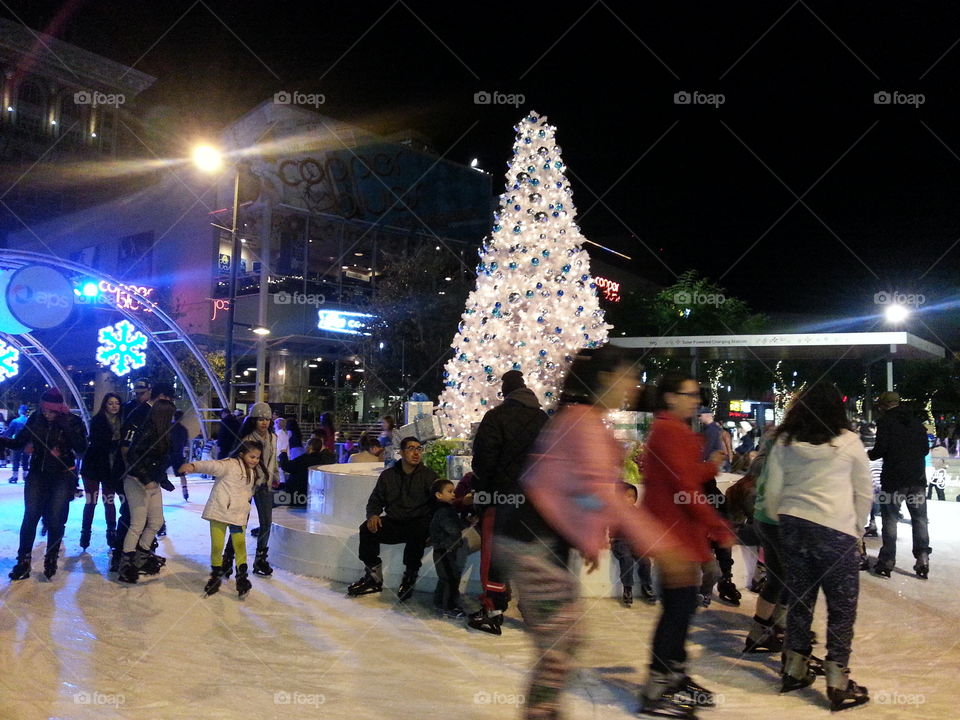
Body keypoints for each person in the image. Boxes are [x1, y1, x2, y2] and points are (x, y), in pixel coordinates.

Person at [496, 347, 680, 720]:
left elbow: (578, 490)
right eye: (629, 376)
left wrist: (592, 538)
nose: (634, 385)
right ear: (604, 378)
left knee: (561, 639)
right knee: (562, 638)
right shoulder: (582, 422)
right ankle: (542, 712)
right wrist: (661, 545)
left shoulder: (582, 420)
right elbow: (603, 494)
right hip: (529, 542)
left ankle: (543, 710)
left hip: (532, 540)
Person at [763, 382, 872, 711]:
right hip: (835, 530)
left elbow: (772, 490)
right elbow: (864, 491)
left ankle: (794, 668)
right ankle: (837, 679)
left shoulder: (784, 441)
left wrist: (779, 519)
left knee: (800, 599)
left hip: (794, 526)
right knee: (841, 607)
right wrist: (857, 528)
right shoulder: (849, 441)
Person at [638, 373, 732, 718]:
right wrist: (716, 525)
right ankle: (658, 686)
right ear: (669, 397)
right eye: (688, 394)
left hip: (678, 533)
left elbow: (687, 477)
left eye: (698, 394)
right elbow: (685, 488)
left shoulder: (672, 430)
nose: (696, 400)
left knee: (681, 608)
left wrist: (709, 466)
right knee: (677, 611)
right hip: (673, 535)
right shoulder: (669, 431)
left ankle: (672, 675)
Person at [467, 369, 548, 635]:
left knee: (495, 555)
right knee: (531, 554)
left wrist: (484, 493)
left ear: (506, 393)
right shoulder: (543, 419)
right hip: (535, 500)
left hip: (500, 498)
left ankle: (493, 609)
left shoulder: (495, 418)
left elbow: (482, 462)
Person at [3, 389, 88, 580]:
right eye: (44, 410)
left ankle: (51, 557)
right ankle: (23, 562)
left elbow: (82, 449)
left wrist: (65, 426)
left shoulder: (73, 421)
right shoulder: (36, 418)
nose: (47, 414)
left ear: (59, 409)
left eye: (51, 411)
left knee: (56, 519)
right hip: (37, 475)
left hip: (62, 475)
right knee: (30, 517)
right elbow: (19, 443)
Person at [347, 437, 437, 601]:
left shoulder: (429, 477)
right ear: (401, 452)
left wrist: (434, 530)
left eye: (419, 449)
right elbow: (375, 500)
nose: (416, 452)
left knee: (418, 531)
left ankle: (410, 577)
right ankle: (374, 576)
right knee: (366, 529)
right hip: (395, 522)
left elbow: (437, 506)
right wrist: (373, 515)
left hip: (418, 523)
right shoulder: (388, 475)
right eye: (411, 448)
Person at [178, 441, 265, 597]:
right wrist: (193, 467)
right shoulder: (228, 465)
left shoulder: (252, 473)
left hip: (238, 515)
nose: (255, 460)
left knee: (240, 546)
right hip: (220, 512)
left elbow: (247, 493)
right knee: (217, 546)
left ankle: (242, 577)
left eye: (257, 458)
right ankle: (215, 577)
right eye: (252, 456)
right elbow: (211, 465)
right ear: (241, 454)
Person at [111, 382, 176, 572]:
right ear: (163, 397)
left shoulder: (158, 417)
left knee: (150, 520)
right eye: (170, 399)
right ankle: (122, 557)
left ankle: (140, 555)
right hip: (133, 476)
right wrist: (139, 475)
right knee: (133, 517)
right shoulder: (141, 414)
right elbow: (127, 449)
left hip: (146, 476)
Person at [868, 391, 931, 579]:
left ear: (883, 406)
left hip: (894, 480)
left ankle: (887, 562)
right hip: (917, 480)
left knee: (890, 519)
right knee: (919, 519)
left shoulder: (885, 422)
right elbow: (925, 449)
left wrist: (868, 455)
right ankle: (923, 558)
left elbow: (880, 449)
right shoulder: (915, 422)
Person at [222, 402, 279, 578]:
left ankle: (260, 558)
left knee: (266, 523)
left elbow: (273, 460)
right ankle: (228, 558)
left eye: (267, 419)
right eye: (260, 419)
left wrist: (275, 475)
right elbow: (239, 463)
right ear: (253, 420)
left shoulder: (273, 437)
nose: (264, 422)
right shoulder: (247, 439)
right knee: (240, 522)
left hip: (265, 485)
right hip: (247, 485)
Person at [79, 393, 124, 552]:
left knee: (109, 501)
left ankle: (111, 532)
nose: (114, 406)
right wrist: (114, 444)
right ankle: (85, 532)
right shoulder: (97, 420)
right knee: (91, 501)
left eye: (116, 403)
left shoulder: (123, 422)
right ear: (105, 404)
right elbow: (97, 443)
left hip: (111, 469)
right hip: (94, 467)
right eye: (110, 403)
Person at [429, 478, 469, 618]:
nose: (453, 495)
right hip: (445, 550)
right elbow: (451, 528)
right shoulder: (443, 511)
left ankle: (440, 602)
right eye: (450, 491)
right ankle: (450, 607)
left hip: (445, 549)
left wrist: (465, 523)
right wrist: (463, 524)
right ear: (439, 495)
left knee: (445, 578)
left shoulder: (443, 509)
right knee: (451, 579)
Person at [610, 482, 655, 606]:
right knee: (627, 558)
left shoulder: (637, 512)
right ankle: (627, 588)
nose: (631, 499)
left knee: (645, 560)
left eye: (633, 496)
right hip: (620, 541)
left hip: (635, 542)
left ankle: (646, 585)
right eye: (627, 496)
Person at [278, 437, 335, 507]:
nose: (305, 447)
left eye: (306, 445)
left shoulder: (305, 459)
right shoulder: (321, 460)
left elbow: (287, 466)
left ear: (310, 447)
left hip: (297, 494)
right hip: (311, 495)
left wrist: (283, 454)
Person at [5, 404, 30, 483]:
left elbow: (9, 433)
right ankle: (25, 476)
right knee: (26, 460)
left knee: (16, 459)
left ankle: (15, 476)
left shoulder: (15, 421)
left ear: (20, 411)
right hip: (27, 443)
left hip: (17, 442)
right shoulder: (29, 421)